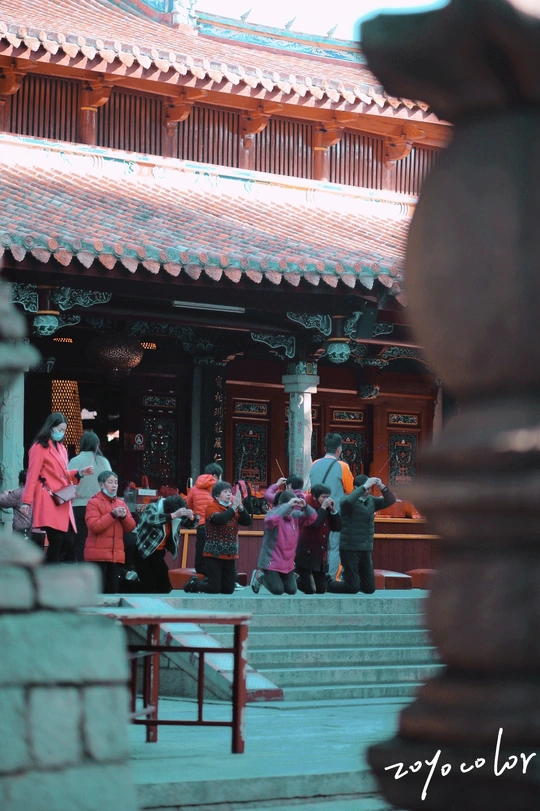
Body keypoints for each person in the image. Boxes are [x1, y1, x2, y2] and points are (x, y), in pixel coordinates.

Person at [20, 412, 94, 563]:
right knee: (58, 540)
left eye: (64, 430)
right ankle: (49, 571)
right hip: (48, 497)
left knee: (67, 541)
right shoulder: (39, 447)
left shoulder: (62, 448)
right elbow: (32, 475)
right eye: (60, 429)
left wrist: (79, 473)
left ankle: (46, 569)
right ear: (51, 427)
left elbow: (63, 474)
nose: (62, 433)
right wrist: (26, 501)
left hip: (62, 497)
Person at [327, 474, 396, 595]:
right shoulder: (346, 501)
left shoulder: (371, 501)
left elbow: (391, 500)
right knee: (352, 588)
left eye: (369, 489)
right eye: (366, 489)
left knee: (369, 589)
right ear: (356, 488)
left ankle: (352, 582)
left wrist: (382, 487)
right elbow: (349, 501)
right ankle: (328, 583)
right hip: (349, 548)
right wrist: (364, 487)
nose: (367, 491)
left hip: (365, 548)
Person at [184, 481, 251, 594]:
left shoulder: (233, 508)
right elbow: (220, 519)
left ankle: (209, 583)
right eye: (225, 492)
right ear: (216, 495)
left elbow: (247, 522)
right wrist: (234, 507)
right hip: (213, 553)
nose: (229, 494)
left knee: (228, 590)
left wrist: (240, 507)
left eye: (230, 492)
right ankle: (194, 585)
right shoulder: (211, 507)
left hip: (230, 553)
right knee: (214, 589)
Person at [251, 490, 317, 596]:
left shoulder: (295, 516)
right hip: (270, 561)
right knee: (278, 590)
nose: (290, 510)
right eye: (288, 507)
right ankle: (260, 577)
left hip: (287, 563)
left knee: (292, 590)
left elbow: (312, 518)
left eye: (292, 507)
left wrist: (305, 506)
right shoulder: (273, 514)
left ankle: (279, 579)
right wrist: (288, 505)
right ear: (280, 504)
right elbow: (270, 521)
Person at [309, 432, 354, 580]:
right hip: (335, 514)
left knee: (318, 546)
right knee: (334, 548)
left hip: (317, 513)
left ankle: (316, 578)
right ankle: (331, 579)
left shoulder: (314, 464)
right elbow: (351, 490)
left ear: (324, 448)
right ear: (339, 450)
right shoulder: (342, 466)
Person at [84, 470, 136, 593]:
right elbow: (94, 526)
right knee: (98, 590)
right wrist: (112, 515)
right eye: (110, 482)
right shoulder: (93, 502)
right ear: (101, 485)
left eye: (116, 482)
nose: (114, 485)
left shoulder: (121, 503)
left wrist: (124, 517)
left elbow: (131, 527)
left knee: (112, 590)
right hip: (98, 555)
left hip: (115, 555)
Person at [135, 494, 198, 593]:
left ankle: (157, 601)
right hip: (143, 551)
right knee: (150, 585)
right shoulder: (153, 507)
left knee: (164, 585)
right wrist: (173, 515)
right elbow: (152, 520)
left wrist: (191, 517)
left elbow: (191, 525)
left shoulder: (175, 512)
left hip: (157, 552)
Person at [69, 431, 112, 562]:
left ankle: (83, 569)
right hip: (99, 507)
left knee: (80, 542)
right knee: (98, 542)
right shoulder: (103, 462)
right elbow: (111, 484)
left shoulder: (74, 461)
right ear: (97, 445)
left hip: (78, 507)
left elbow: (67, 483)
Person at [295, 484, 342, 595]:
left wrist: (334, 511)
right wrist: (323, 508)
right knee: (310, 589)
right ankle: (290, 577)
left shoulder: (326, 509)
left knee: (321, 589)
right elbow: (314, 524)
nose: (326, 499)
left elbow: (337, 527)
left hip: (320, 553)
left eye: (328, 496)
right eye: (323, 497)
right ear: (315, 497)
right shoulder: (306, 507)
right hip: (305, 552)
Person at [186, 462, 223, 576]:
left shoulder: (194, 489)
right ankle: (218, 576)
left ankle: (208, 578)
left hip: (202, 527)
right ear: (215, 476)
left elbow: (188, 506)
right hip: (217, 527)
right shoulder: (220, 490)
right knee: (217, 558)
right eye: (221, 477)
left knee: (200, 563)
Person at [0, 469, 33, 537]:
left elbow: (2, 501)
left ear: (21, 482)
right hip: (39, 532)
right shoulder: (39, 492)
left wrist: (5, 493)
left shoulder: (19, 493)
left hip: (23, 532)